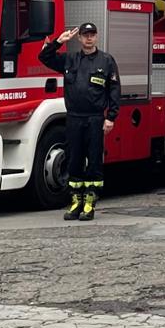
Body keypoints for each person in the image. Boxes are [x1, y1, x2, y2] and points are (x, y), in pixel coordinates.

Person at [39, 22, 120, 221]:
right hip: (74, 117)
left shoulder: (106, 61)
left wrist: (111, 118)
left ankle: (90, 204)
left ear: (97, 36)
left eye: (92, 34)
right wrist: (59, 41)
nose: (89, 38)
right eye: (85, 35)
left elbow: (115, 90)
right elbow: (44, 57)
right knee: (74, 160)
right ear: (79, 38)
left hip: (94, 118)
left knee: (93, 161)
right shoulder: (70, 60)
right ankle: (76, 202)